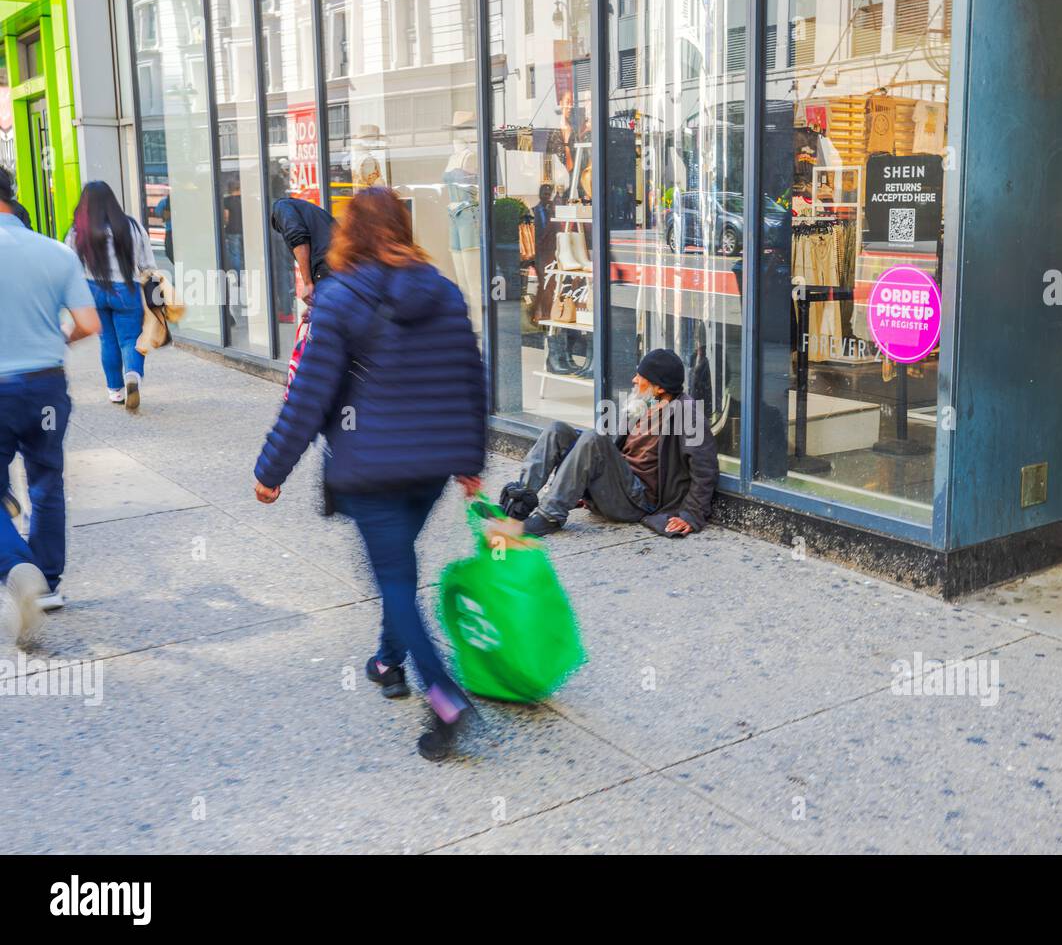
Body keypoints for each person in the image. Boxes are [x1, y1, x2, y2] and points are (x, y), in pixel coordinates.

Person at [252, 186, 487, 761]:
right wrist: (469, 460)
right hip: (429, 466)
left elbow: (309, 397)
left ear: (349, 234)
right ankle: (388, 662)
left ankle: (444, 695)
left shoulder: (337, 298)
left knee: (395, 580)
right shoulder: (445, 292)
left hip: (372, 464)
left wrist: (270, 469)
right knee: (398, 567)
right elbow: (471, 378)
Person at [1, 177, 102, 646]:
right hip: (44, 385)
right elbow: (88, 323)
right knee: (46, 480)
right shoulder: (55, 252)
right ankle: (48, 583)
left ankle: (17, 566)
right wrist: (50, 340)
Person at [504, 348, 719, 538]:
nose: (634, 379)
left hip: (638, 500)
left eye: (641, 376)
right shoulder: (644, 404)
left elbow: (705, 469)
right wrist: (580, 486)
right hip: (618, 487)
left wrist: (691, 515)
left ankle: (549, 517)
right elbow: (616, 454)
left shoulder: (687, 414)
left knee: (593, 438)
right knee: (557, 430)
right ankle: (519, 503)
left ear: (659, 387)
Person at [66, 181, 157, 411]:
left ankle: (115, 391)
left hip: (93, 290)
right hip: (126, 289)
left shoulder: (78, 231)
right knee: (130, 340)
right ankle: (133, 376)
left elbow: (70, 266)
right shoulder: (132, 226)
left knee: (107, 340)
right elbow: (147, 265)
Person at [270, 196, 335, 308]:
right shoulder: (310, 210)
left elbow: (298, 239)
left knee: (328, 320)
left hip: (326, 267)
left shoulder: (280, 207)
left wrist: (307, 283)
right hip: (341, 265)